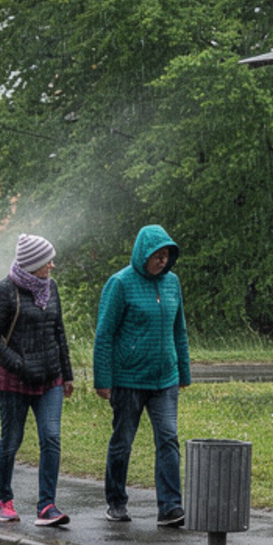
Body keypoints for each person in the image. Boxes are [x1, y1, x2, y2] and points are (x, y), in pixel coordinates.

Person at [93, 224, 190, 526]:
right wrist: (102, 379)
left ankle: (171, 507)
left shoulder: (172, 283)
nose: (162, 262)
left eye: (166, 256)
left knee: (168, 439)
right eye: (156, 256)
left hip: (165, 379)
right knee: (123, 441)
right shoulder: (120, 283)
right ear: (142, 254)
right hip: (128, 379)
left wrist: (183, 371)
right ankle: (116, 501)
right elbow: (104, 334)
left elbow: (179, 330)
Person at [0, 233, 74, 528]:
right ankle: (4, 501)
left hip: (50, 380)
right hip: (14, 381)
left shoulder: (51, 288)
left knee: (51, 437)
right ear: (33, 263)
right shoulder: (3, 291)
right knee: (11, 440)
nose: (52, 265)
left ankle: (47, 506)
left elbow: (58, 331)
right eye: (47, 260)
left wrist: (67, 374)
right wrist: (19, 364)